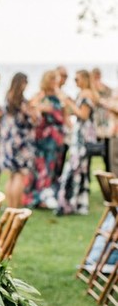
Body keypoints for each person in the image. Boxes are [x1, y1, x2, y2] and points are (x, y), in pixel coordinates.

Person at [56, 70, 97, 216]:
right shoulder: (83, 94)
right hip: (79, 136)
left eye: (77, 79)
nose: (75, 82)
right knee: (79, 170)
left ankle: (69, 202)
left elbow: (83, 115)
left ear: (84, 79)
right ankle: (76, 203)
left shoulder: (87, 94)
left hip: (82, 139)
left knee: (74, 169)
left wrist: (70, 104)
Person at [25, 70, 67, 209]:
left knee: (53, 167)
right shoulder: (41, 95)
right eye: (53, 79)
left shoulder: (59, 95)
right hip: (43, 136)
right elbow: (30, 107)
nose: (56, 82)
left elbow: (65, 112)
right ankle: (38, 197)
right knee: (41, 167)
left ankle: (48, 195)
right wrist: (41, 109)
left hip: (55, 137)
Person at [0, 73, 36, 208]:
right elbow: (33, 118)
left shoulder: (8, 98)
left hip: (8, 143)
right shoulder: (21, 102)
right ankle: (16, 207)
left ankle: (10, 206)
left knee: (12, 176)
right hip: (21, 143)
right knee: (20, 175)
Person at [91, 67, 112, 172]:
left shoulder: (106, 89)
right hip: (94, 126)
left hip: (105, 126)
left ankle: (108, 173)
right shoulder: (90, 91)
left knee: (107, 153)